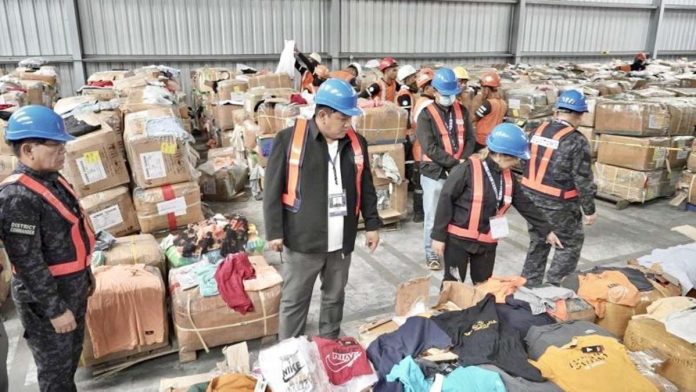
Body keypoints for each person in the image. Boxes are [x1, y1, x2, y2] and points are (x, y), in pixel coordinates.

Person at [263, 79, 381, 339]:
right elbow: (272, 188)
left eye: (350, 118)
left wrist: (372, 225)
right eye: (343, 118)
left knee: (334, 298)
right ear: (323, 115)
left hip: (341, 241)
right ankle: (290, 352)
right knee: (295, 301)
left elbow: (367, 186)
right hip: (304, 240)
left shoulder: (357, 142)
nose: (348, 124)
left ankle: (328, 345)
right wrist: (274, 231)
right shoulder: (289, 140)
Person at [0, 105, 95, 392]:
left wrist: (86, 276)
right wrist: (55, 310)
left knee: (68, 365)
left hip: (71, 290)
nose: (63, 151)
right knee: (56, 375)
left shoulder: (52, 180)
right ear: (28, 150)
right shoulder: (17, 197)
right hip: (48, 302)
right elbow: (27, 261)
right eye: (56, 145)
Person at [431, 123, 562, 284]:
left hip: (486, 243)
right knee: (453, 284)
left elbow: (525, 205)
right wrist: (438, 236)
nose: (516, 163)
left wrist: (546, 230)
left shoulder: (508, 178)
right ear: (500, 154)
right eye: (515, 158)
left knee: (485, 286)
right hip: (458, 242)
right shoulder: (465, 170)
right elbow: (446, 200)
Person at [520, 90, 598, 286]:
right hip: (559, 205)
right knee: (568, 245)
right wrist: (589, 210)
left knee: (538, 242)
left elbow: (523, 162)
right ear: (577, 114)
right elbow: (583, 179)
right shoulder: (576, 140)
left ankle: (529, 284)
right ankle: (556, 287)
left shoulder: (536, 130)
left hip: (531, 200)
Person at [416, 67, 475, 270]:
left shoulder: (463, 111)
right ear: (434, 91)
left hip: (459, 171)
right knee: (433, 215)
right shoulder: (426, 115)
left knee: (457, 213)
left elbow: (469, 139)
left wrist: (463, 161)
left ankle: (451, 249)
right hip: (435, 172)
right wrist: (453, 163)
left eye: (452, 94)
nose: (448, 98)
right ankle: (431, 253)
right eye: (444, 94)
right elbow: (429, 146)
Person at [409, 68, 436, 223]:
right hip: (424, 151)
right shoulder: (427, 105)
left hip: (420, 149)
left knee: (421, 184)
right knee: (422, 185)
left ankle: (420, 213)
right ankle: (420, 213)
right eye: (434, 87)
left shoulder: (421, 101)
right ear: (426, 88)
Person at [472, 71, 507, 152]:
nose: (482, 91)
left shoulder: (488, 103)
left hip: (482, 140)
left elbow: (474, 118)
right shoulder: (504, 103)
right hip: (494, 139)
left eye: (482, 88)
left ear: (487, 89)